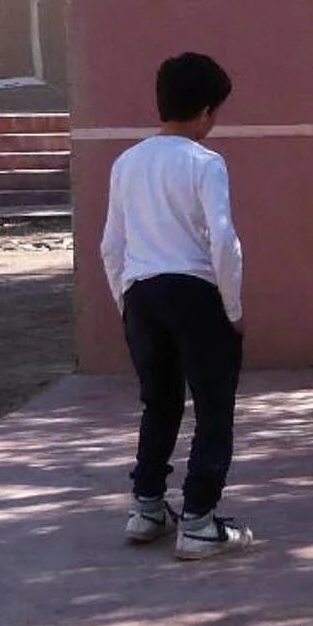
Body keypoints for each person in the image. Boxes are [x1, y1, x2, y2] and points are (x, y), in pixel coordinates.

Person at [98, 51, 255, 560]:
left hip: (141, 295)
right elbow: (224, 241)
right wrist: (232, 309)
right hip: (194, 294)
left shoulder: (127, 163)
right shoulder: (205, 162)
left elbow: (111, 245)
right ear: (208, 110)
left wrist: (126, 301)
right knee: (213, 408)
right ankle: (199, 521)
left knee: (159, 402)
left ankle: (146, 507)